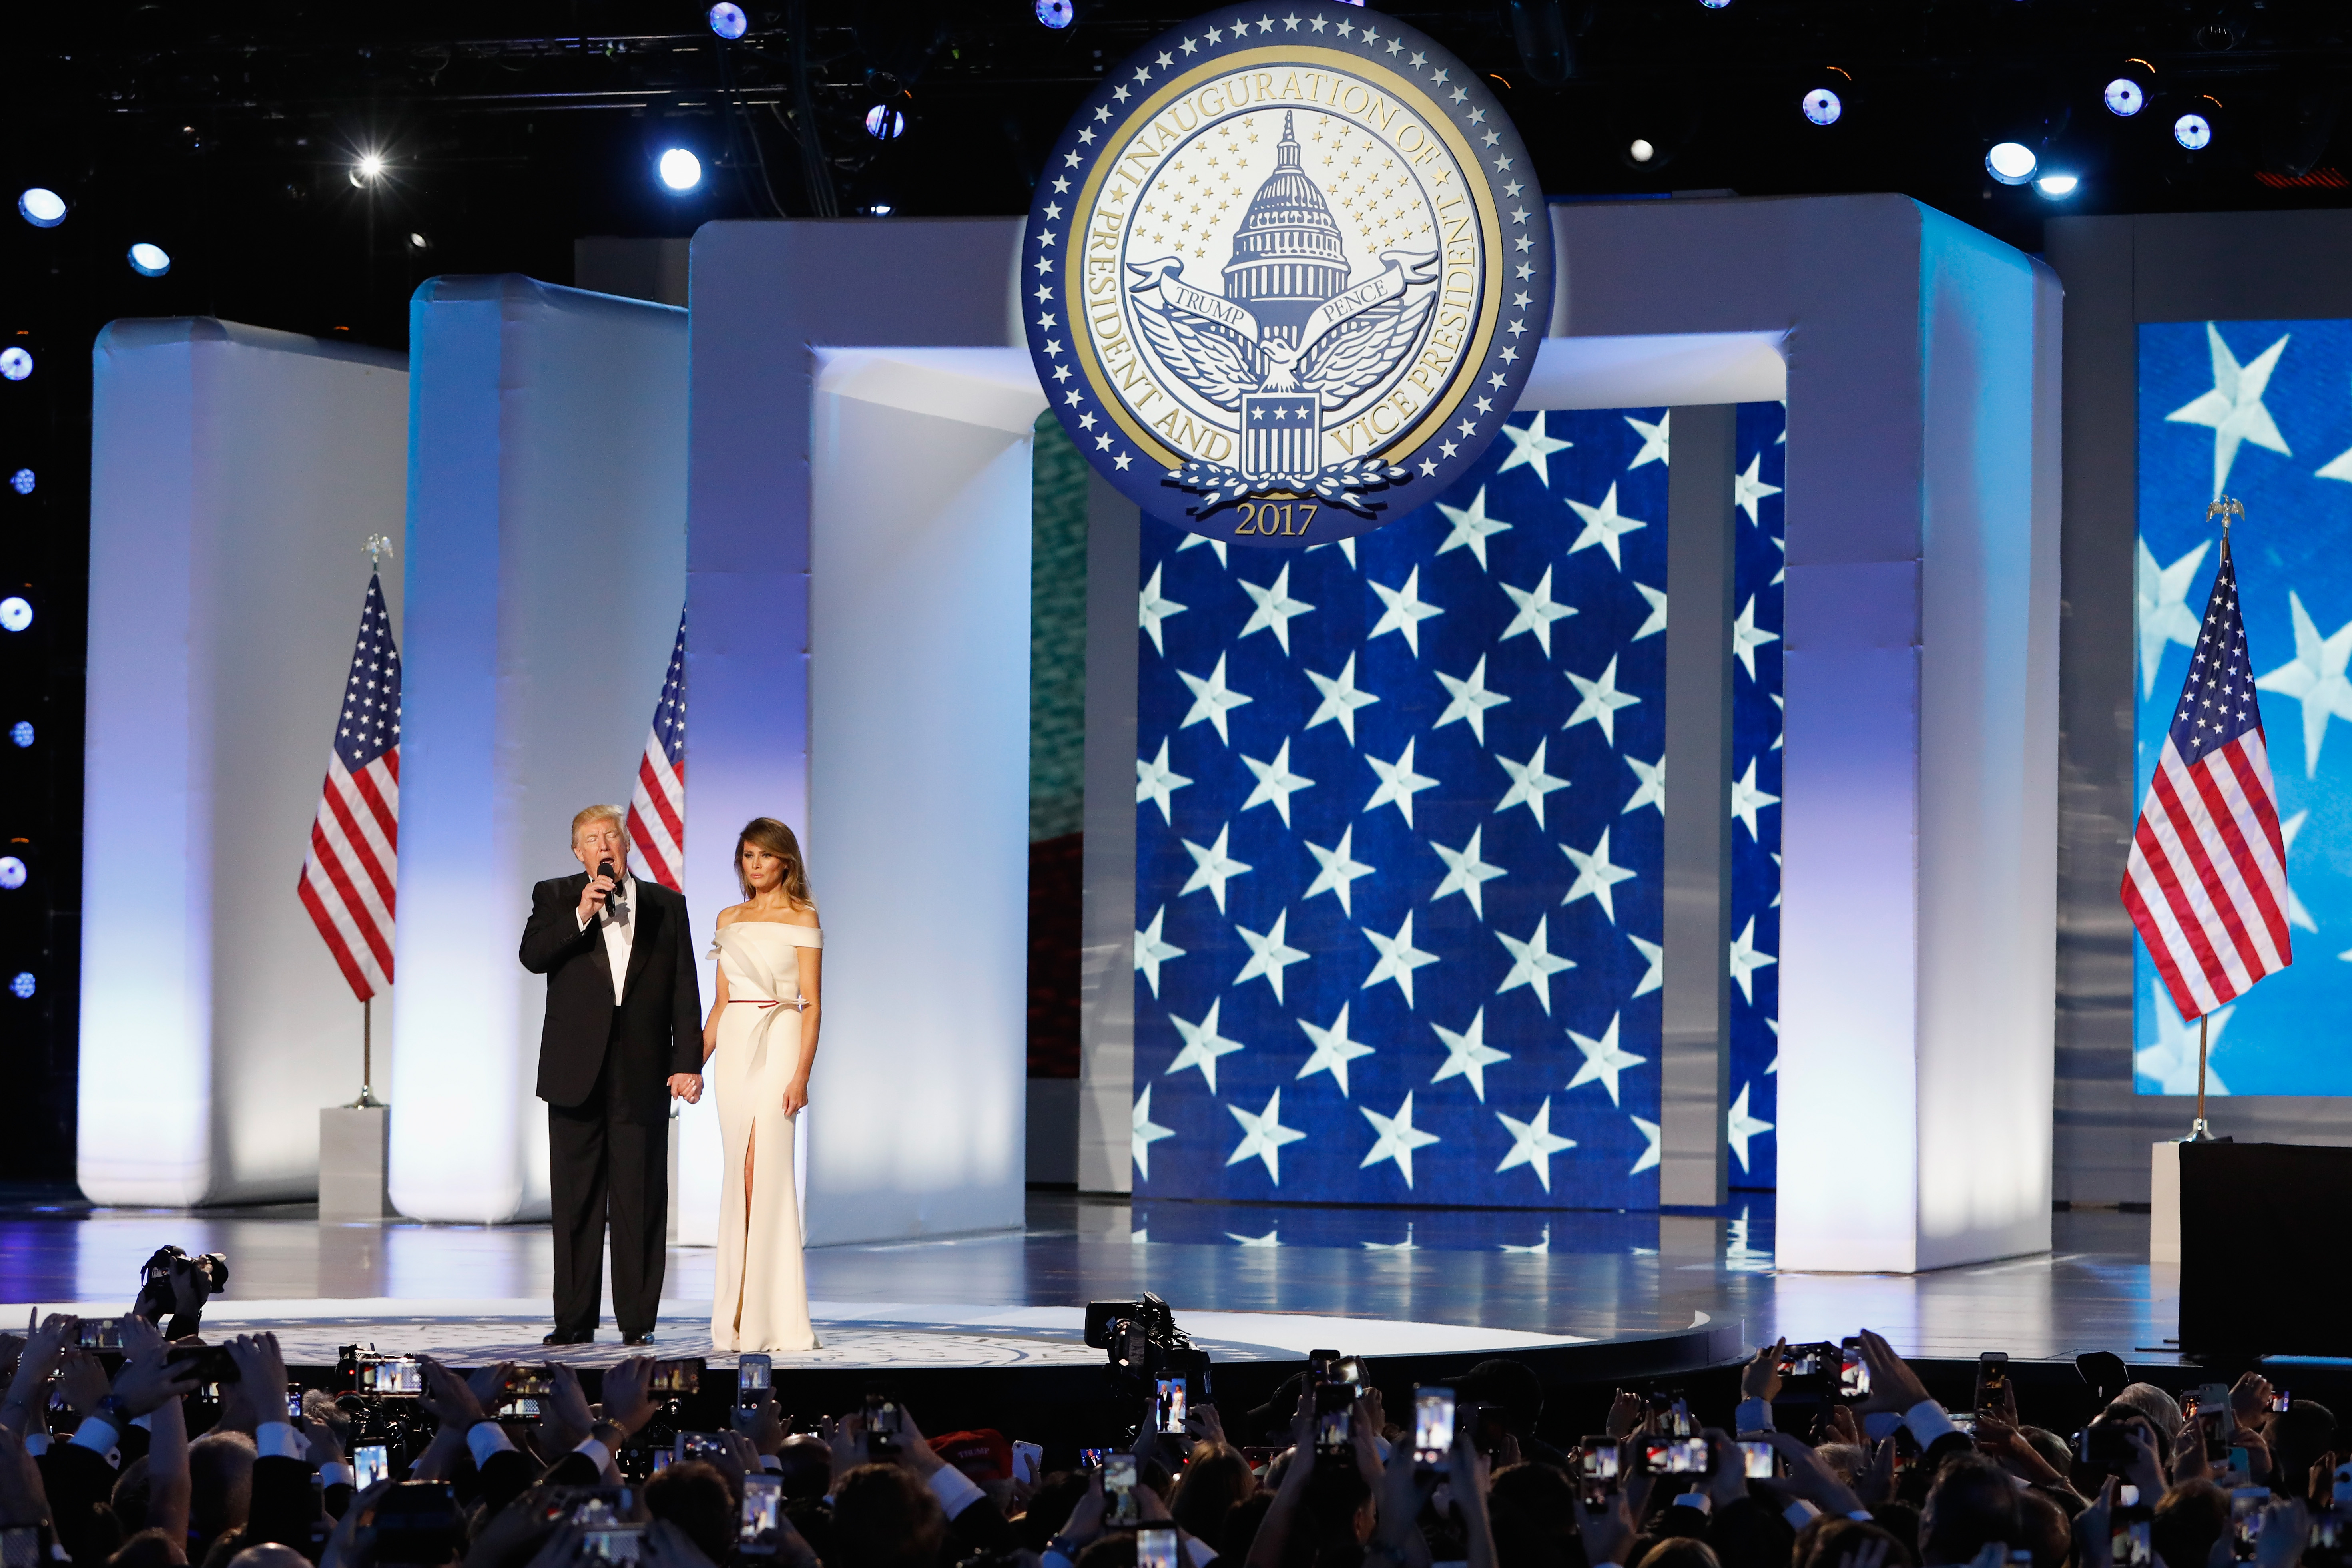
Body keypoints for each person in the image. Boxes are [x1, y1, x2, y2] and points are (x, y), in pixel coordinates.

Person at [519, 805, 704, 1346]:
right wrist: (581, 912)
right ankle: (574, 1320)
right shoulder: (554, 896)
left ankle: (637, 1321)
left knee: (639, 1198)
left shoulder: (668, 906)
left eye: (612, 836)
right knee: (576, 1201)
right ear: (578, 853)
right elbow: (532, 956)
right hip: (575, 1071)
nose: (604, 845)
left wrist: (686, 1061)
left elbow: (684, 989)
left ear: (626, 845)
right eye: (592, 839)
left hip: (642, 1073)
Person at [703, 817, 825, 1352]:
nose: (755, 865)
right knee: (739, 1170)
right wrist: (691, 1062)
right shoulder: (729, 918)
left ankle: (768, 1313)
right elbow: (720, 1004)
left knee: (764, 1166)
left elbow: (815, 1004)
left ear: (785, 862)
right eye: (748, 855)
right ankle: (736, 1311)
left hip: (780, 1035)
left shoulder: (804, 917)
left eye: (765, 856)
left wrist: (801, 1075)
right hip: (734, 1043)